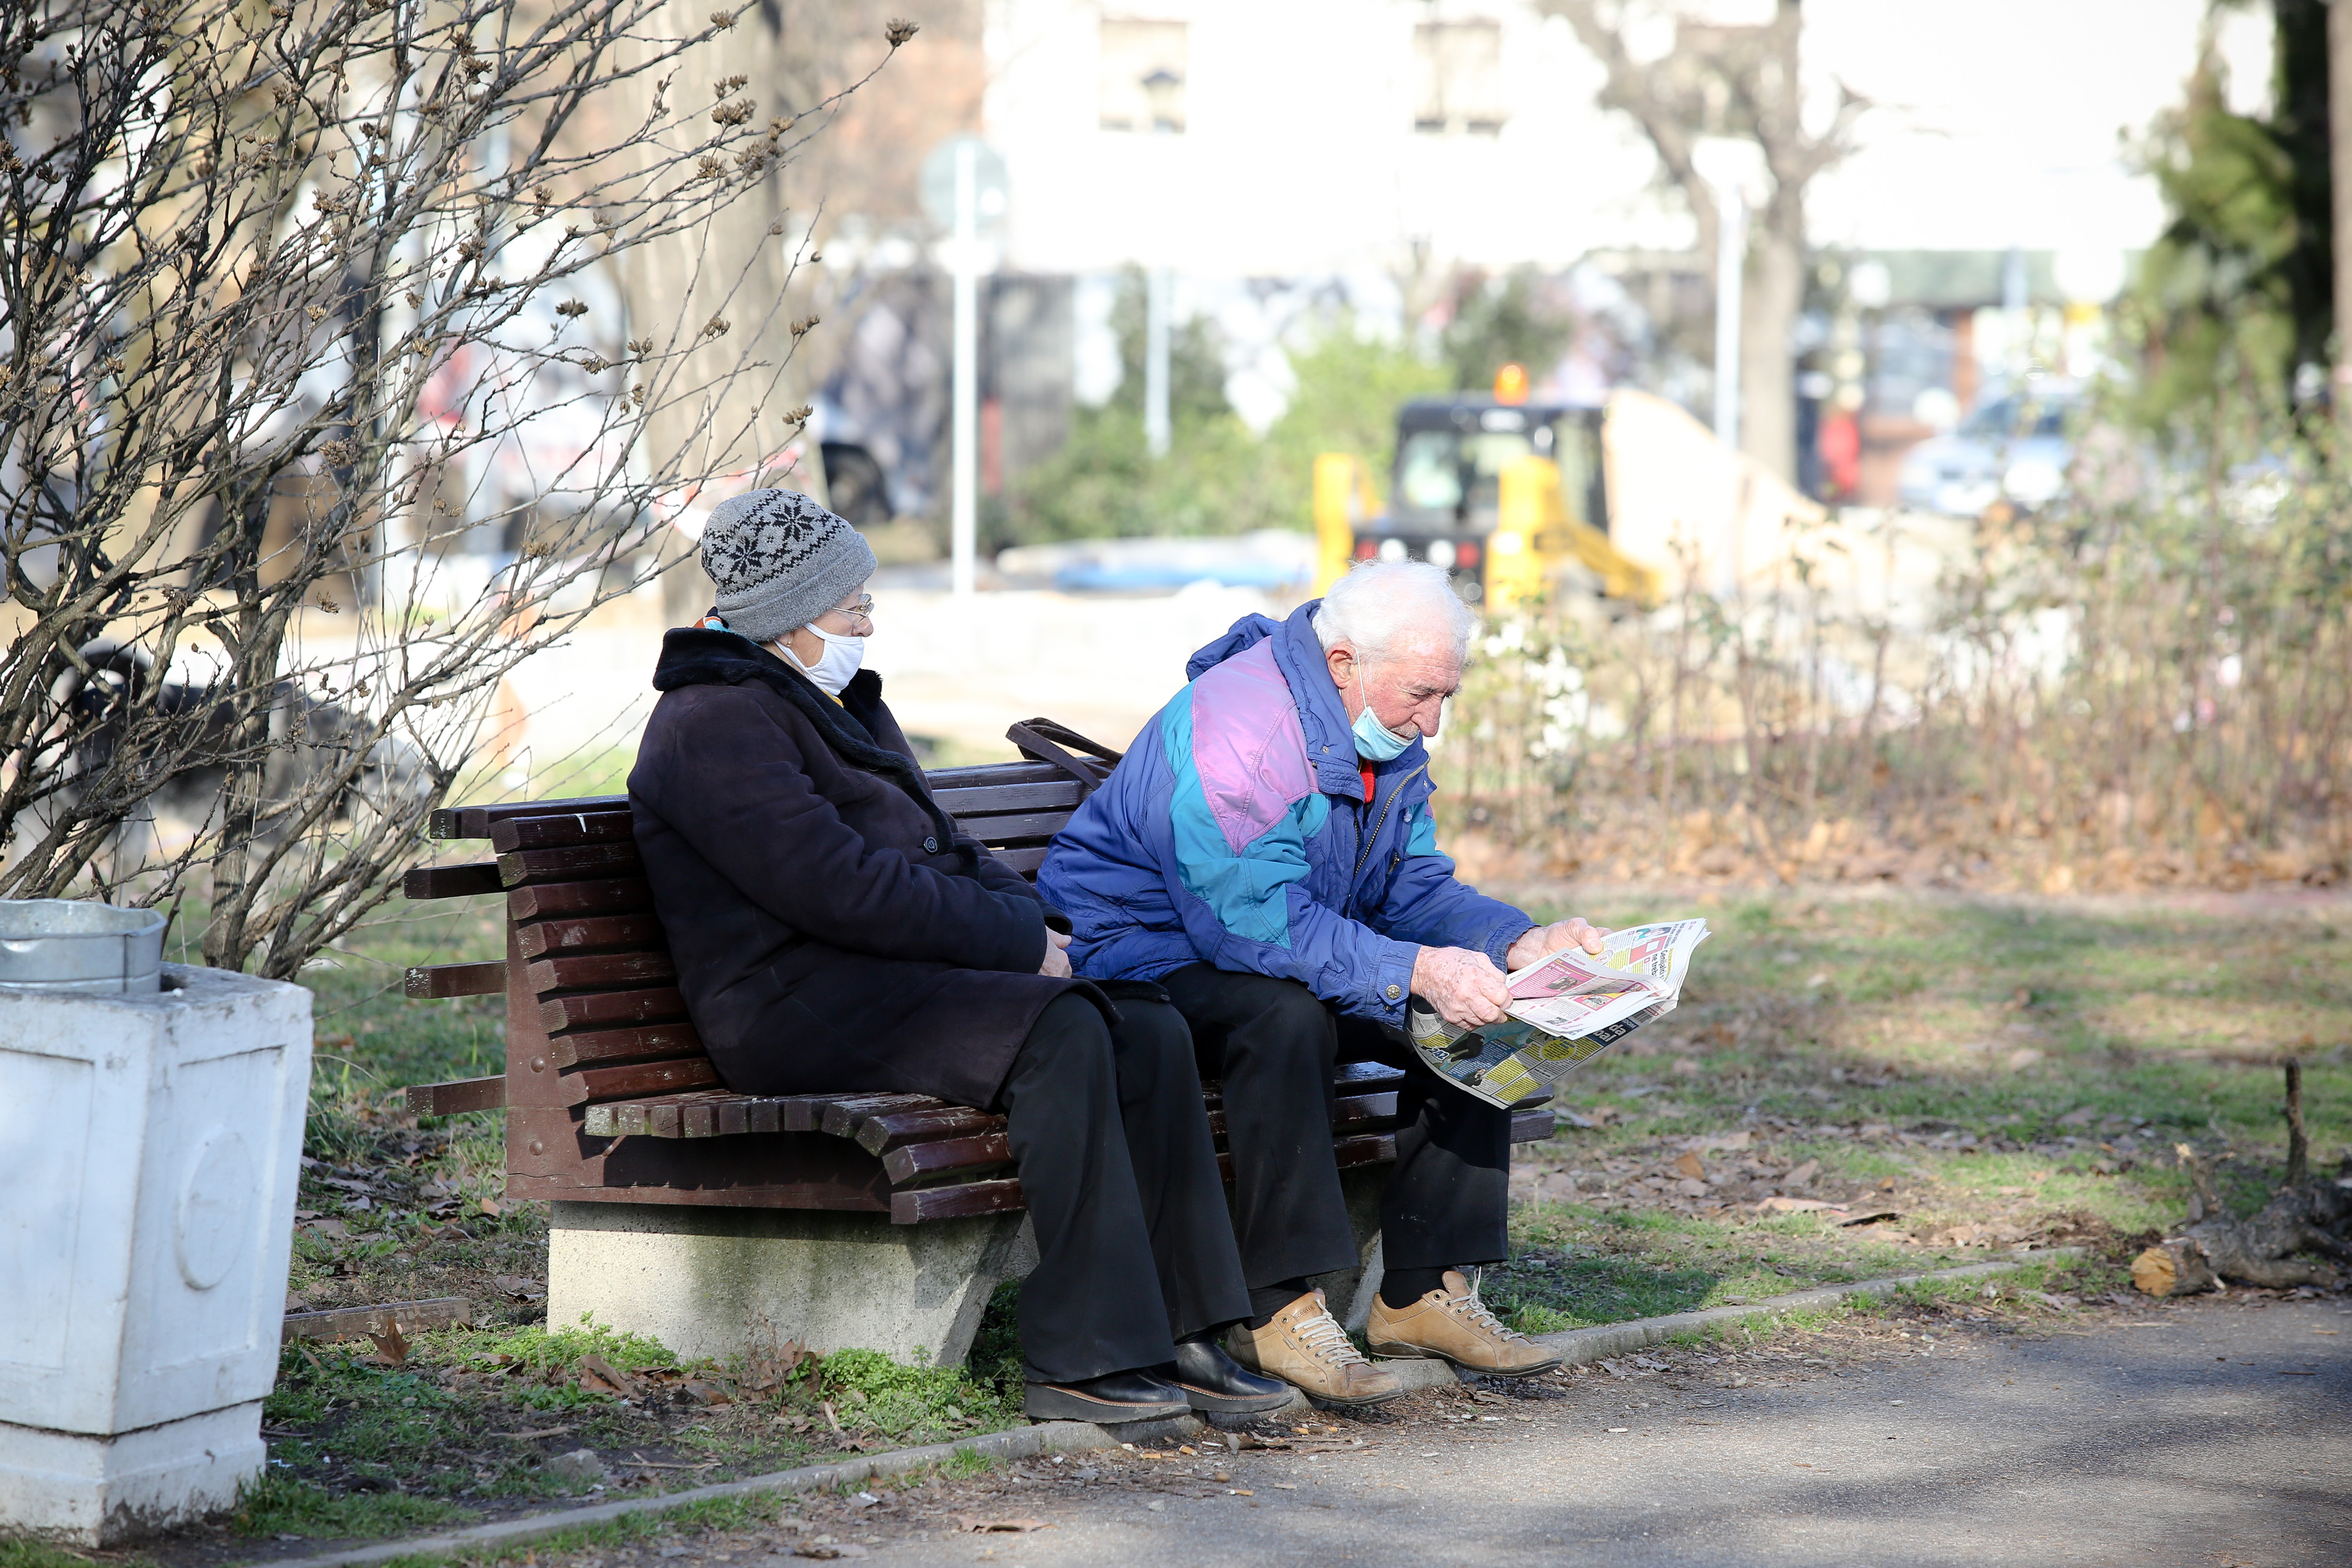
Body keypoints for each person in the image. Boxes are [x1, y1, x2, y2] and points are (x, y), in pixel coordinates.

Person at [626, 488, 1287, 1424]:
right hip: (792, 1001)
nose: (867, 620)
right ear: (787, 619)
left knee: (1141, 1019)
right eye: (851, 605)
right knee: (1060, 1032)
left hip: (884, 978)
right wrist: (1018, 947)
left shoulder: (830, 703)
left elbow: (947, 847)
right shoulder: (711, 725)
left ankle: (1188, 1330)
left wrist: (1036, 926)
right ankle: (1084, 1353)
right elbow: (836, 886)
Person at [1039, 560, 1612, 1403]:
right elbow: (1249, 920)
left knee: (1484, 1015)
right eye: (1422, 694)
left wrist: (1515, 942)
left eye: (1447, 695)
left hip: (1270, 945)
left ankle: (1421, 1295)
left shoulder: (1384, 731)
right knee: (1285, 1018)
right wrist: (1415, 968)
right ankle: (1279, 1309)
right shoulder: (1246, 728)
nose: (1435, 722)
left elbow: (1408, 885)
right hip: (1140, 956)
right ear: (1344, 663)